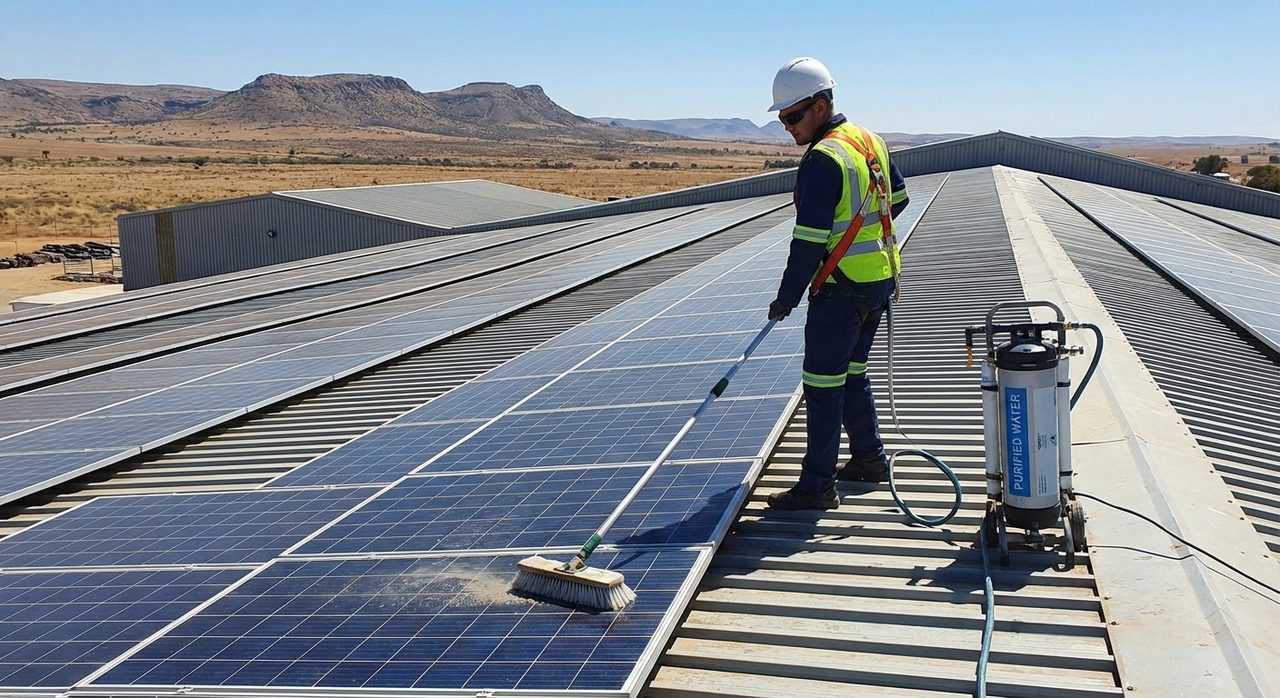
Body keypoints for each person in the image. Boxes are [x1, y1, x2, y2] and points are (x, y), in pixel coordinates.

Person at [763, 57, 910, 511]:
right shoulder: (868, 140)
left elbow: (806, 243)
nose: (787, 127)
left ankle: (817, 486)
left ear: (822, 106)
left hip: (841, 291)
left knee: (822, 385)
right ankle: (869, 458)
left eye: (793, 116)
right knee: (854, 374)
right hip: (880, 282)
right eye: (783, 118)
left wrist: (786, 299)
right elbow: (899, 200)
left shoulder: (824, 158)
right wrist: (860, 239)